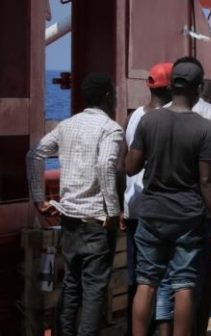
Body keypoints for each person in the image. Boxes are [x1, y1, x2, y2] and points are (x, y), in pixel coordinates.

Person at [126, 58, 211, 336]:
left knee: (146, 282)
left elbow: (130, 166)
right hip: (188, 216)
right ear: (197, 89)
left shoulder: (149, 120)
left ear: (171, 87)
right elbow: (207, 182)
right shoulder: (204, 129)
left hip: (152, 213)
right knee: (184, 284)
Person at [27, 73, 123, 335]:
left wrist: (38, 197)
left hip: (69, 220)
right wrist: (113, 211)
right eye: (113, 93)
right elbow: (105, 165)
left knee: (71, 284)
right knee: (94, 289)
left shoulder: (66, 126)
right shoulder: (111, 129)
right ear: (107, 97)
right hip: (96, 221)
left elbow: (34, 154)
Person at [122, 62, 173, 335]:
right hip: (160, 208)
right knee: (161, 278)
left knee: (137, 278)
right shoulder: (168, 119)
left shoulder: (134, 117)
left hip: (133, 206)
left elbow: (126, 162)